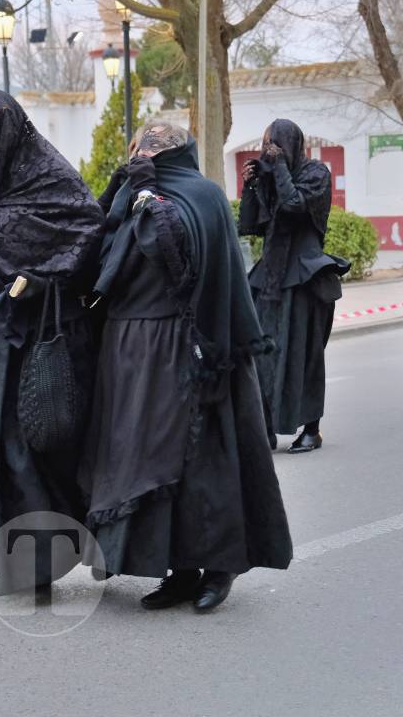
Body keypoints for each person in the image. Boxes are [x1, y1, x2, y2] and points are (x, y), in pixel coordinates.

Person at [79, 121, 292, 612]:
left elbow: (181, 261)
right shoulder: (131, 192)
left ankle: (219, 568)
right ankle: (176, 570)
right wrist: (121, 192)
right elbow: (100, 260)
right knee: (143, 461)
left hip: (188, 347)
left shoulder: (202, 196)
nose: (141, 154)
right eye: (138, 148)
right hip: (130, 348)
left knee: (199, 465)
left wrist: (150, 198)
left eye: (150, 149)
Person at [0, 90, 104, 595]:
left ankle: (36, 565)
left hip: (39, 337)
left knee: (29, 449)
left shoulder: (50, 178)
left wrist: (40, 277)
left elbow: (88, 229)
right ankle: (9, 559)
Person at [238, 118, 349, 453]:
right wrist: (252, 186)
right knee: (263, 357)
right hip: (271, 276)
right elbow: (250, 225)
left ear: (289, 143)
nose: (268, 151)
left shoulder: (317, 173)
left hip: (304, 276)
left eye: (273, 144)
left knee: (304, 355)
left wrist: (280, 169)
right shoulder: (274, 175)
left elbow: (294, 206)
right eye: (265, 144)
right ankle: (267, 426)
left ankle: (311, 430)